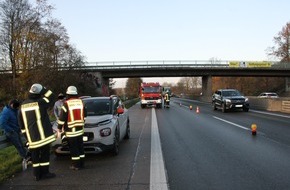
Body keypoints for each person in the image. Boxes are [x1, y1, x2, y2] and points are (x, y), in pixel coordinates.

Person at [18, 83, 56, 181]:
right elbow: (52, 97)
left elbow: (21, 124)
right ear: (40, 93)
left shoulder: (23, 105)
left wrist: (27, 137)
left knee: (35, 157)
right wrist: (44, 90)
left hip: (32, 138)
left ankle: (36, 175)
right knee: (44, 156)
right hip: (44, 137)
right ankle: (45, 173)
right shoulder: (41, 102)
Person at [57, 86, 85, 170]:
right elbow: (85, 115)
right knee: (80, 147)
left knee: (74, 149)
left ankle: (76, 165)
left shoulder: (66, 104)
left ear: (68, 94)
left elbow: (62, 118)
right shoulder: (81, 102)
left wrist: (59, 128)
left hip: (70, 131)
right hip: (80, 130)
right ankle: (82, 164)